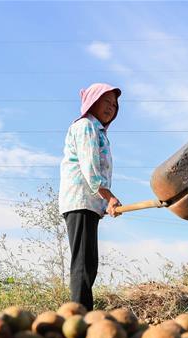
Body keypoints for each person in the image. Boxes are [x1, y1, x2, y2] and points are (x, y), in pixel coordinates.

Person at [58, 83, 123, 310]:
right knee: (83, 263)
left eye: (114, 105)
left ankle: (83, 313)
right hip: (80, 200)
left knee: (89, 263)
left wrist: (103, 203)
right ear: (92, 102)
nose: (111, 107)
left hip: (90, 203)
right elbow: (90, 168)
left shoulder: (98, 131)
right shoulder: (85, 126)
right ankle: (80, 315)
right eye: (106, 101)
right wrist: (108, 196)